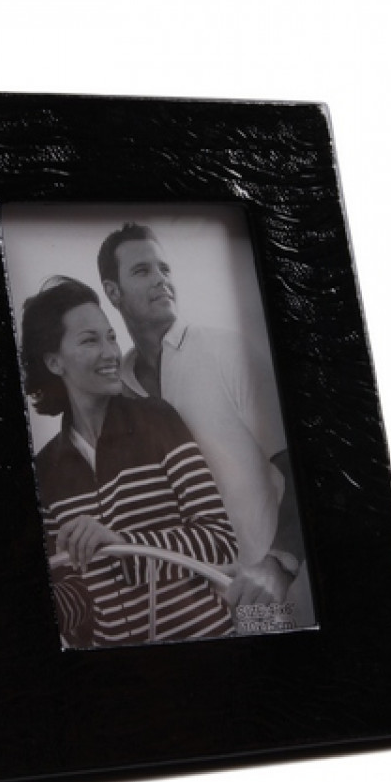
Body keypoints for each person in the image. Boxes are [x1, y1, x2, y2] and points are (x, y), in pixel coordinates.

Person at [97, 222, 315, 627]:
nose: (161, 280)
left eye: (165, 268)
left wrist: (277, 565)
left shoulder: (227, 351)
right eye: (142, 271)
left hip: (272, 602)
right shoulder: (118, 392)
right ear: (113, 292)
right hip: (189, 615)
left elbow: (303, 469)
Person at [20, 276, 238, 648]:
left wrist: (124, 543)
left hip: (206, 646)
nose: (110, 352)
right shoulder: (44, 471)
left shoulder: (158, 420)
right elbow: (76, 588)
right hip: (119, 671)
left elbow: (219, 540)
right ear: (54, 362)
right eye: (90, 340)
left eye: (110, 337)